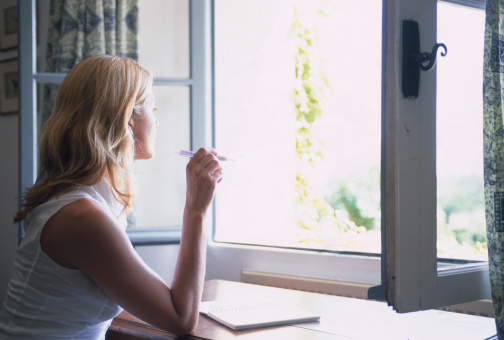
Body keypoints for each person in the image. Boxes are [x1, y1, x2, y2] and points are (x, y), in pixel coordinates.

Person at [0, 54, 223, 339]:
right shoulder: (82, 218)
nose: (158, 123)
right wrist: (196, 209)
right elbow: (181, 318)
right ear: (128, 122)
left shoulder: (77, 200)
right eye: (153, 109)